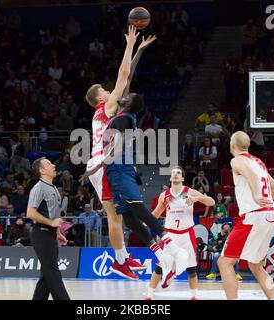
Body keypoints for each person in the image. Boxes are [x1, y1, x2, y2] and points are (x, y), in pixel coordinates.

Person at [86, 93, 189, 284]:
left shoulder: (124, 118)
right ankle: (162, 256)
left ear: (128, 103)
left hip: (120, 167)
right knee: (128, 217)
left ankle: (172, 247)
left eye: (128, 96)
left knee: (136, 207)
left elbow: (117, 147)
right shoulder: (122, 116)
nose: (123, 96)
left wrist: (97, 166)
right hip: (113, 170)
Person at [82, 25, 156, 279]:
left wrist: (139, 52)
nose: (109, 89)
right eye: (105, 88)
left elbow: (128, 75)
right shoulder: (106, 106)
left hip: (100, 162)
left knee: (118, 215)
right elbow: (123, 75)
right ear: (100, 96)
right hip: (103, 163)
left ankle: (123, 259)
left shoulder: (106, 109)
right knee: (115, 216)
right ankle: (119, 261)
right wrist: (129, 45)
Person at [218, 131, 274, 300]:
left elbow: (249, 174)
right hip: (269, 215)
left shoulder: (236, 160)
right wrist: (264, 202)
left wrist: (256, 197)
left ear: (232, 145)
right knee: (256, 265)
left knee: (224, 262)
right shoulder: (259, 162)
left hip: (253, 216)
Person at [145, 167, 215, 300]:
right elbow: (156, 214)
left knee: (191, 269)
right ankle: (149, 295)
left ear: (182, 178)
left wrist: (196, 199)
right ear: (170, 178)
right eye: (173, 173)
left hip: (187, 234)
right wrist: (142, 223)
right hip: (170, 235)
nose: (176, 175)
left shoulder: (190, 191)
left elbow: (211, 201)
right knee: (160, 266)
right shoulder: (164, 195)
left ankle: (193, 296)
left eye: (178, 173)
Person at [26, 157, 70, 300]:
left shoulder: (53, 188)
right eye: (49, 164)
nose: (53, 165)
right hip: (41, 233)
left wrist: (57, 232)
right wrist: (50, 224)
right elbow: (30, 213)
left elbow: (54, 214)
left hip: (50, 234)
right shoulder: (38, 188)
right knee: (53, 273)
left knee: (46, 276)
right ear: (42, 170)